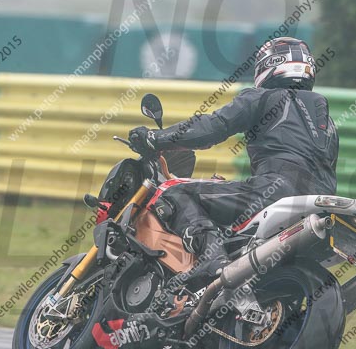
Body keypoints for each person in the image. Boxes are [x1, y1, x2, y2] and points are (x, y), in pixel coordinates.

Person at [128, 37, 339, 285]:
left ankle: (212, 262)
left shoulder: (263, 97)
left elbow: (211, 128)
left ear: (270, 65)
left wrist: (156, 138)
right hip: (321, 204)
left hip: (277, 190)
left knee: (175, 192)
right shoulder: (327, 122)